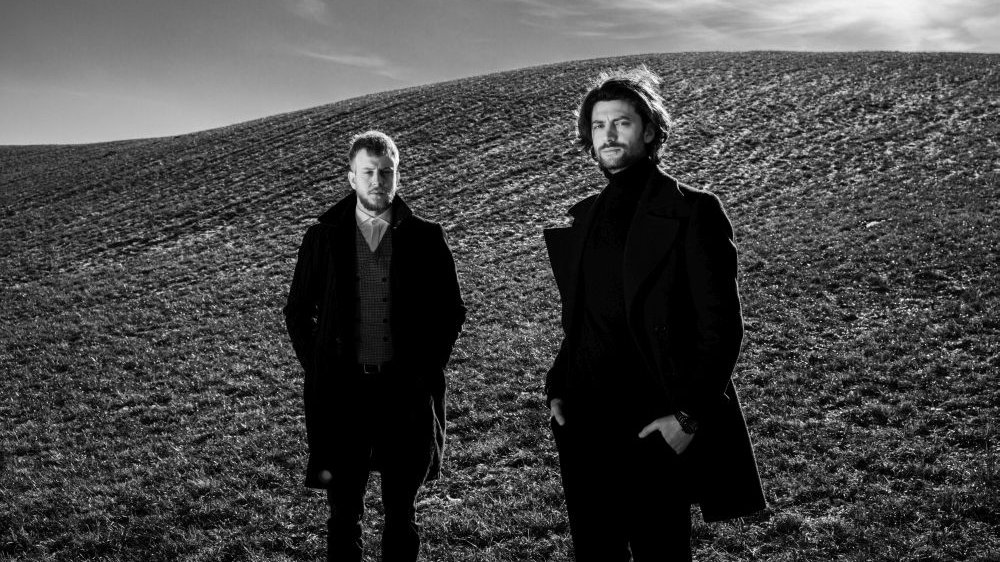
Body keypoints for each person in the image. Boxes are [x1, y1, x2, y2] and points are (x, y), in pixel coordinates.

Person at [543, 66, 766, 561]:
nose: (608, 135)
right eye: (598, 126)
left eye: (621, 122)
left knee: (661, 553)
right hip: (584, 425)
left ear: (648, 129)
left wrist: (686, 417)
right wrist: (558, 388)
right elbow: (580, 319)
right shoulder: (583, 218)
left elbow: (722, 327)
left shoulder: (693, 211)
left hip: (654, 424)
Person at [283, 130, 466, 562]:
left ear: (397, 175)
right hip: (343, 393)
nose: (378, 181)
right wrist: (318, 364)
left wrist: (426, 367)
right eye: (368, 172)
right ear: (351, 178)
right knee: (343, 514)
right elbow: (296, 311)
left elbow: (451, 310)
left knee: (401, 513)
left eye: (386, 172)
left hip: (403, 391)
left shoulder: (426, 236)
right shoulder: (323, 237)